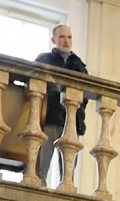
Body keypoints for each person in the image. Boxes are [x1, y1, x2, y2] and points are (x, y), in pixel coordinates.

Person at [33, 24, 87, 185]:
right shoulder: (44, 60)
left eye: (69, 37)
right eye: (62, 37)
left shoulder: (79, 65)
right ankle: (38, 196)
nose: (66, 41)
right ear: (53, 39)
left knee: (68, 172)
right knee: (41, 166)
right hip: (48, 118)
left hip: (71, 122)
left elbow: (85, 95)